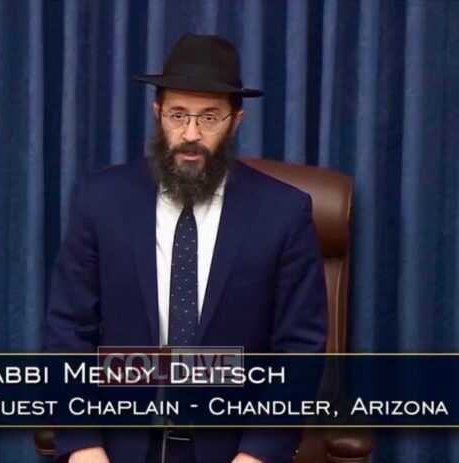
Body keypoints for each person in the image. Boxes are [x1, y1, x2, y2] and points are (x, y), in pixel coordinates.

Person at [44, 33, 327, 463]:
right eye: (178, 115)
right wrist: (84, 445)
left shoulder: (283, 212)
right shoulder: (100, 199)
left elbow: (299, 351)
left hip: (233, 449)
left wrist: (257, 454)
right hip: (118, 445)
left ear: (236, 121)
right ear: (158, 114)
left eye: (209, 117)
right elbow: (68, 333)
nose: (190, 134)